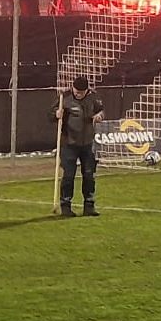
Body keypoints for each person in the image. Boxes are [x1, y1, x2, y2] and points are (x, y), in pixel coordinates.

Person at [52, 74, 104, 217]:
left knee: (89, 175)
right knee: (68, 176)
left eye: (80, 93)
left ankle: (89, 205)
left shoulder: (93, 97)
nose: (77, 94)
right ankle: (66, 206)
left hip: (87, 144)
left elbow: (101, 110)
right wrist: (56, 114)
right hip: (69, 143)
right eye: (75, 91)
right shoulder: (65, 97)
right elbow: (50, 114)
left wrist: (99, 116)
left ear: (86, 91)